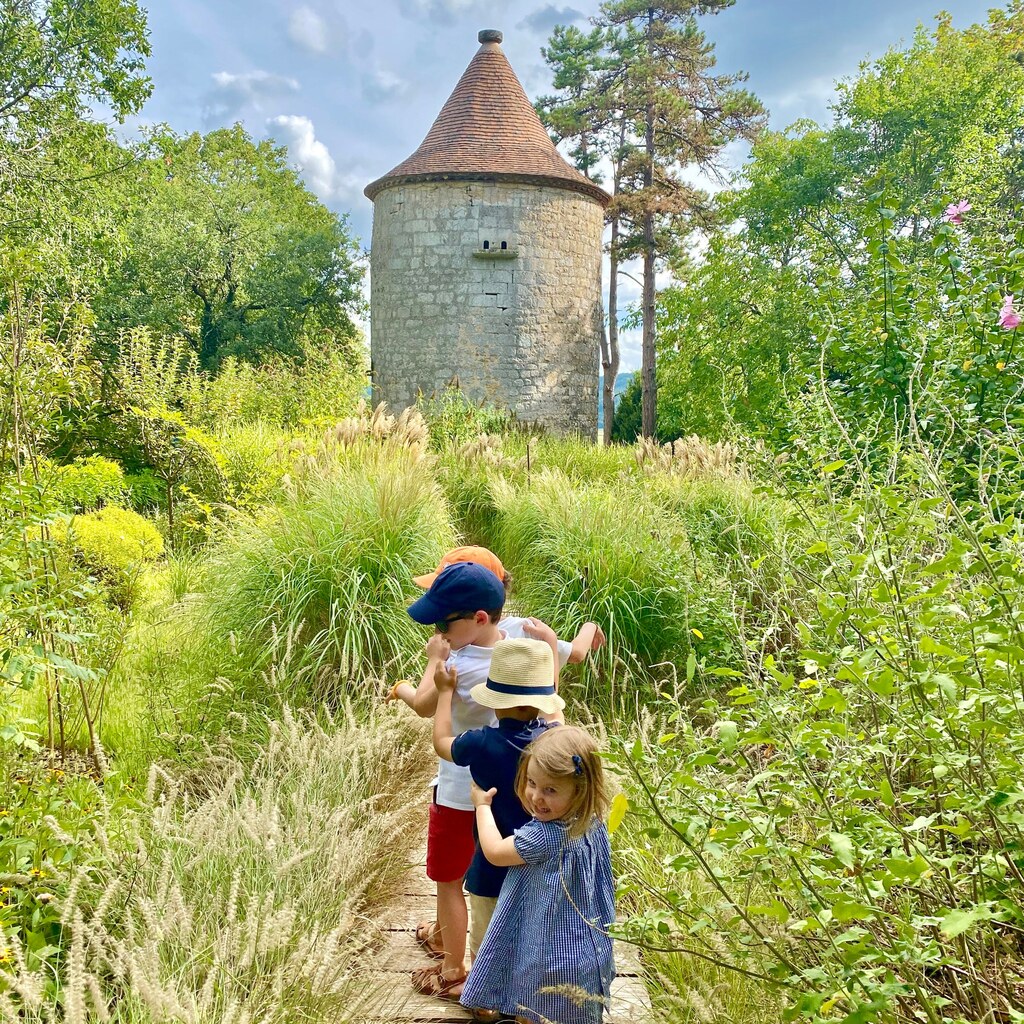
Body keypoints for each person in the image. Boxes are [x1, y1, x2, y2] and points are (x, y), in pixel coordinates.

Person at [461, 726, 616, 1024]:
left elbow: (494, 851)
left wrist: (482, 807)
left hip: (547, 954)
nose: (536, 797)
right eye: (532, 782)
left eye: (550, 790)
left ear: (580, 790)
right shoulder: (593, 822)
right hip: (585, 946)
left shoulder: (544, 837)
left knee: (536, 1007)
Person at [432, 637, 564, 981]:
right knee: (532, 938)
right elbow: (556, 715)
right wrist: (550, 649)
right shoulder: (553, 742)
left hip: (490, 870)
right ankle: (525, 1001)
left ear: (496, 702)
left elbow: (442, 743)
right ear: (540, 701)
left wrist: (445, 692)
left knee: (486, 939)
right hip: (539, 868)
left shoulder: (481, 742)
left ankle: (486, 1003)